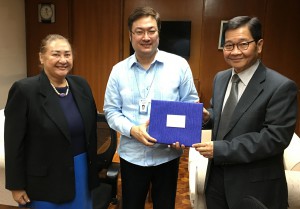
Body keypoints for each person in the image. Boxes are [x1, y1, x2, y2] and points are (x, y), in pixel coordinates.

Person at [193, 16, 298, 209]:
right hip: (216, 182)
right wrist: (209, 116)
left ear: (259, 45)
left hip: (254, 187)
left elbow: (275, 138)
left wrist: (221, 149)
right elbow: (224, 116)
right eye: (228, 45)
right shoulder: (221, 78)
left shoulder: (281, 87)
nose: (235, 52)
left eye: (243, 44)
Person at [103, 6, 199, 209]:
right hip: (132, 156)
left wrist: (182, 135)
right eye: (139, 31)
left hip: (167, 156)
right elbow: (111, 111)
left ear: (158, 33)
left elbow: (190, 103)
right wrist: (132, 130)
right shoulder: (118, 71)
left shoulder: (179, 65)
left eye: (151, 31)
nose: (146, 37)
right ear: (131, 36)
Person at [4, 34, 99, 209]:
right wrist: (16, 186)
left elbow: (91, 130)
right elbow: (13, 143)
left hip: (81, 174)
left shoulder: (81, 85)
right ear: (41, 57)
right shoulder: (25, 90)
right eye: (56, 54)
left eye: (67, 54)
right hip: (45, 182)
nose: (63, 60)